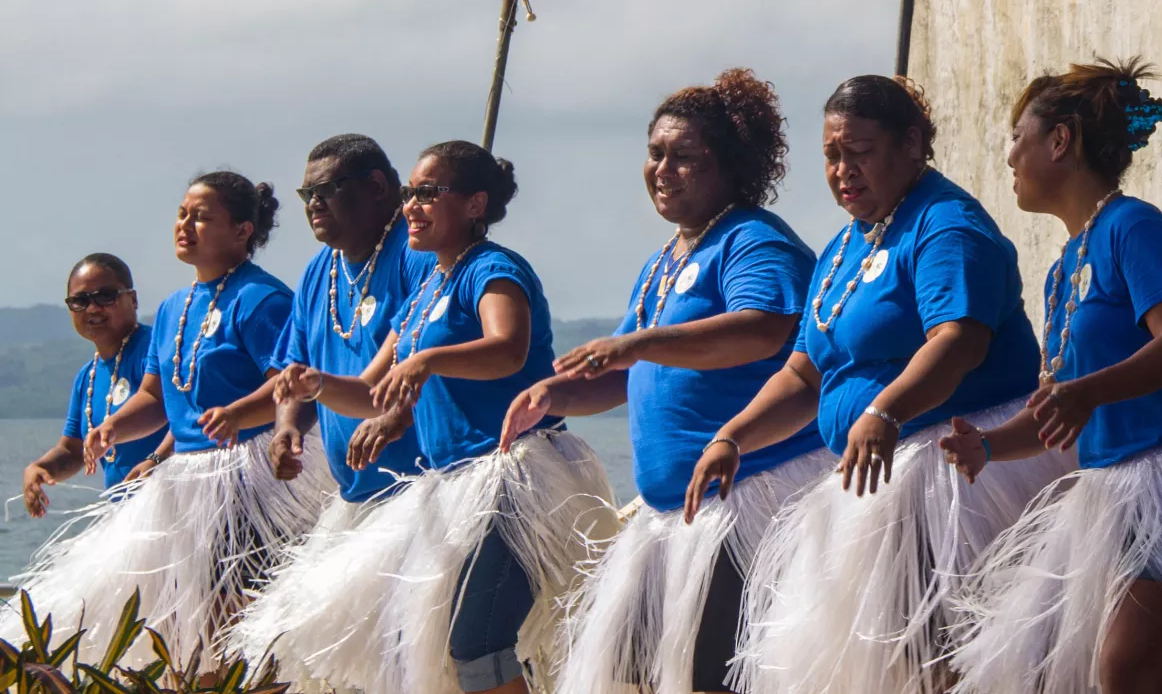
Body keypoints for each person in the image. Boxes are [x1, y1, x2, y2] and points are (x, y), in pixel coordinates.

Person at [686, 75, 1070, 694]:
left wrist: (886, 410)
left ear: (912, 145)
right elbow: (804, 372)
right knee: (887, 668)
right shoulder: (843, 246)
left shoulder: (946, 225)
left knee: (946, 660)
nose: (843, 169)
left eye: (859, 151)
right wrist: (732, 436)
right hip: (875, 480)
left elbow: (958, 340)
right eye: (832, 156)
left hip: (953, 473)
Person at [942, 59, 1162, 694]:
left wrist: (1089, 390)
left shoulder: (1136, 227)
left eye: (1019, 135)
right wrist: (989, 447)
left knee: (1125, 669)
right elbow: (1058, 409)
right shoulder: (1062, 267)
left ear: (1061, 142)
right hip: (1108, 496)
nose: (1009, 154)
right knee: (1071, 670)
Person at [508, 70, 831, 694]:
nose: (663, 169)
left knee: (714, 676)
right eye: (656, 154)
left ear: (730, 168)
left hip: (746, 502)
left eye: (686, 158)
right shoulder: (666, 259)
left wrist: (637, 341)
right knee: (640, 674)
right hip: (671, 517)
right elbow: (630, 376)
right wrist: (560, 395)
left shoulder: (754, 241)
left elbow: (762, 329)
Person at [269, 140, 616, 694]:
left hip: (514, 478)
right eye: (410, 194)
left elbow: (509, 348)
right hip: (451, 489)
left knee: (476, 642)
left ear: (475, 205)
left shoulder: (494, 268)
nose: (412, 205)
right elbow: (372, 392)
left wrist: (428, 360)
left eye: (429, 193)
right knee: (434, 649)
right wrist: (316, 385)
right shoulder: (427, 288)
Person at [8, 172, 329, 674]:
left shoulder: (261, 299)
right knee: (180, 620)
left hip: (248, 478)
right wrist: (113, 426)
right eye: (182, 213)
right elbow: (156, 398)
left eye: (201, 216)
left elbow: (289, 386)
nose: (185, 224)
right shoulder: (176, 306)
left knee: (233, 615)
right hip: (189, 483)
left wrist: (238, 413)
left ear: (243, 229)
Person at [225, 134, 433, 688]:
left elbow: (396, 381)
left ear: (377, 188)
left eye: (328, 190)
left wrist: (330, 393)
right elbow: (295, 371)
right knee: (315, 654)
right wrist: (288, 428)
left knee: (411, 656)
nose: (313, 203)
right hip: (355, 497)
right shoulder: (319, 272)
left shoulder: (418, 256)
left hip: (423, 495)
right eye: (306, 193)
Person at [21, 254, 162, 515]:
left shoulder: (156, 349)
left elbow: (170, 409)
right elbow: (72, 450)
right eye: (80, 301)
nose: (93, 308)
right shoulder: (88, 377)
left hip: (176, 508)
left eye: (105, 296)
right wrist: (40, 469)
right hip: (127, 519)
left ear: (133, 299)